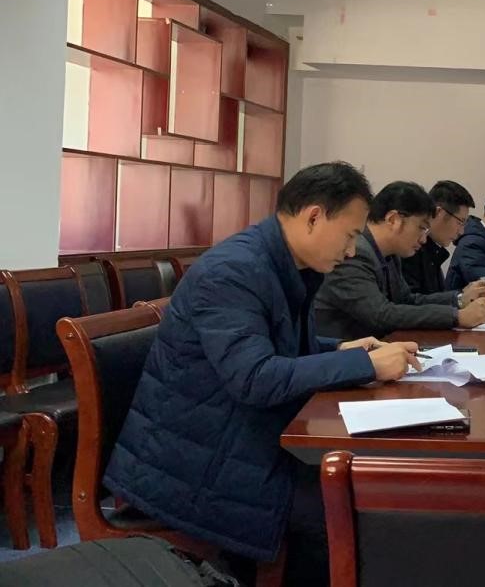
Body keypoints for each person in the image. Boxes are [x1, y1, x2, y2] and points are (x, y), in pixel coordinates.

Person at [103, 162, 422, 584]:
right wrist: (364, 365)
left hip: (232, 437)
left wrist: (341, 349)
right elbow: (255, 378)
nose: (351, 251)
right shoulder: (233, 272)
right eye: (349, 236)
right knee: (349, 509)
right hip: (193, 465)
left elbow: (271, 350)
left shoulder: (281, 263)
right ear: (313, 217)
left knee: (361, 487)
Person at [314, 181, 485, 340]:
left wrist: (458, 300)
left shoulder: (391, 255)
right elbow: (381, 314)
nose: (424, 239)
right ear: (393, 220)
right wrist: (457, 316)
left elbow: (407, 300)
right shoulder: (356, 253)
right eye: (421, 228)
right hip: (344, 354)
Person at [400, 180, 475, 294]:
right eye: (460, 222)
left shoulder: (433, 251)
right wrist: (459, 298)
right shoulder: (410, 249)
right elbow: (409, 301)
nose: (461, 232)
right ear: (438, 212)